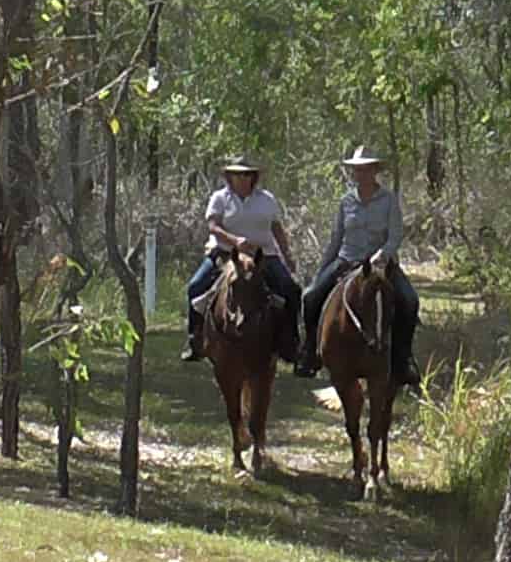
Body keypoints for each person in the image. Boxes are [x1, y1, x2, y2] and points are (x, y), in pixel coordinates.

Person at [294, 146, 421, 387]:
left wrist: (382, 255)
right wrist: (323, 269)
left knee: (409, 300)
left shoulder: (388, 200)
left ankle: (404, 359)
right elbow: (336, 237)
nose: (360, 173)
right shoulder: (346, 201)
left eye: (365, 169)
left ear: (374, 171)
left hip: (382, 265)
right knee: (311, 297)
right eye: (357, 170)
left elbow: (395, 235)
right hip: (347, 261)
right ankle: (310, 351)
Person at [180, 156, 301, 363]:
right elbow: (213, 227)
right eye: (238, 174)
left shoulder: (266, 199)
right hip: (226, 254)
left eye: (247, 174)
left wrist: (287, 255)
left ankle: (289, 342)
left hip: (264, 256)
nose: (243, 178)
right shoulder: (220, 198)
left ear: (254, 176)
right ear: (230, 176)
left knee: (291, 289)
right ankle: (195, 339)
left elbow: (277, 229)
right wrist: (235, 241)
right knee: (195, 286)